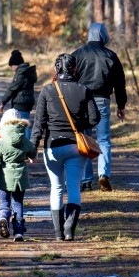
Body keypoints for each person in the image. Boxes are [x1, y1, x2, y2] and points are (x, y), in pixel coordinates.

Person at [29, 53, 100, 241]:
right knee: (74, 187)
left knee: (56, 188)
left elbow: (39, 124)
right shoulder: (83, 90)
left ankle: (58, 233)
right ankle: (70, 229)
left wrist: (33, 147)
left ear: (56, 69)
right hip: (76, 147)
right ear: (74, 69)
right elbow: (95, 119)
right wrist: (79, 123)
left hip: (52, 147)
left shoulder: (47, 91)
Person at [67, 22, 128, 191]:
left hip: (81, 101)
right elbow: (120, 84)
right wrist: (121, 106)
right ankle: (103, 174)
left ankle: (86, 180)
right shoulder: (111, 56)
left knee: (84, 139)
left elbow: (69, 79)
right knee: (104, 139)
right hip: (102, 101)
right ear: (104, 35)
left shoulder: (77, 54)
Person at [0, 109, 36, 241]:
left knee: (4, 202)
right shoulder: (24, 139)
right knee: (18, 202)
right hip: (20, 178)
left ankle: (3, 218)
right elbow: (32, 151)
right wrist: (31, 156)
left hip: (4, 178)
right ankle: (18, 232)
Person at [0, 50, 37, 115]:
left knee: (18, 124)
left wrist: (3, 103)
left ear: (14, 65)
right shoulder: (28, 71)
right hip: (27, 104)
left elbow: (12, 89)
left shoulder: (20, 73)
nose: (11, 69)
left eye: (11, 66)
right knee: (24, 123)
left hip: (20, 105)